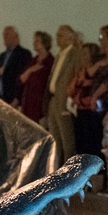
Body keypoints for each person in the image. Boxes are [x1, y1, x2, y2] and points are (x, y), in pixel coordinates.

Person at [45, 25, 79, 162]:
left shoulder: (75, 54)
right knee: (55, 139)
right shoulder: (59, 55)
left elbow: (75, 76)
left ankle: (68, 174)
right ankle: (57, 172)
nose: (57, 38)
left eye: (60, 36)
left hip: (64, 101)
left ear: (69, 37)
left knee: (67, 140)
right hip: (54, 100)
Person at [18, 31, 53, 123]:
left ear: (44, 43)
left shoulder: (50, 61)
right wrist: (31, 70)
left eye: (37, 41)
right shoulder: (33, 61)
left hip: (40, 102)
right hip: (28, 101)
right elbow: (22, 78)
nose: (34, 43)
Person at [0, 26, 32, 106]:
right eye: (4, 35)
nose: (4, 37)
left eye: (7, 34)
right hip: (0, 99)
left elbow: (23, 79)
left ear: (16, 36)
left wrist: (17, 98)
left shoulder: (24, 54)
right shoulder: (2, 56)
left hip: (13, 101)